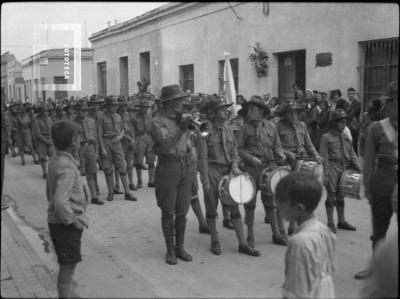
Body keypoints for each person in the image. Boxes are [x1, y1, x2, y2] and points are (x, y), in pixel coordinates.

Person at [198, 97, 260, 257]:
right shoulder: (205, 131)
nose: (225, 112)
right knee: (211, 207)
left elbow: (234, 152)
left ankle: (243, 244)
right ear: (212, 113)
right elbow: (202, 158)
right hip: (212, 171)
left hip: (228, 170)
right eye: (221, 109)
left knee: (234, 205)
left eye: (225, 109)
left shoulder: (228, 130)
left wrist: (235, 166)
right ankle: (214, 240)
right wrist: (205, 180)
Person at [355, 81, 398, 280]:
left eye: (392, 102)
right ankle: (375, 268)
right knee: (378, 230)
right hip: (383, 181)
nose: (390, 106)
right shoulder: (376, 128)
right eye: (390, 102)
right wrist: (369, 189)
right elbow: (369, 161)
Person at [151, 84, 195, 265]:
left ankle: (180, 247)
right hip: (168, 167)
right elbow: (166, 144)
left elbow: (188, 141)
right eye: (180, 99)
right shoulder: (157, 122)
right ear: (171, 103)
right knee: (168, 211)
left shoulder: (180, 119)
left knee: (182, 211)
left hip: (185, 165)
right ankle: (170, 249)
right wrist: (181, 128)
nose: (183, 102)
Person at [237, 95, 288, 246]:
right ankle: (250, 236)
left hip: (268, 168)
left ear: (261, 111)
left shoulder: (271, 126)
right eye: (249, 108)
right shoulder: (244, 128)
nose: (249, 111)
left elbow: (277, 145)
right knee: (250, 203)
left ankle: (276, 234)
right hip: (251, 168)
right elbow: (239, 149)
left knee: (269, 202)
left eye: (253, 109)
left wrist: (281, 154)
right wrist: (251, 159)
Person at [276, 172, 336, 299]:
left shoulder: (299, 242)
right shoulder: (325, 231)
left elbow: (295, 293)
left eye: (281, 203)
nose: (278, 207)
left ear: (298, 208)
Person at [47, 120, 89, 299]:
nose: (80, 141)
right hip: (65, 226)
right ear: (73, 140)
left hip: (58, 223)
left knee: (67, 268)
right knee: (66, 272)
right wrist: (73, 221)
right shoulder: (67, 166)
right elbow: (59, 201)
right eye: (79, 138)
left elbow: (52, 194)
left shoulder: (57, 160)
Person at [276, 100, 324, 235]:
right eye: (290, 113)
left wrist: (317, 156)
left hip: (301, 162)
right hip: (285, 163)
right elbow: (276, 146)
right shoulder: (278, 126)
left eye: (295, 113)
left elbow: (309, 144)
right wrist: (286, 153)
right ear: (285, 114)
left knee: (297, 195)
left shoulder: (302, 125)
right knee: (282, 195)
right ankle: (280, 229)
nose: (293, 116)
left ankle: (293, 226)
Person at [319, 108, 361, 233]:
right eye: (341, 122)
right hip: (332, 167)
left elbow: (352, 154)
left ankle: (341, 221)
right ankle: (330, 222)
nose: (344, 125)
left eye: (345, 122)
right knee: (331, 196)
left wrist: (359, 168)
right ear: (334, 123)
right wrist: (325, 174)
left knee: (341, 195)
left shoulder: (346, 137)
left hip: (344, 168)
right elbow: (324, 157)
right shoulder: (326, 138)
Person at [98, 96, 138, 202]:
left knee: (122, 166)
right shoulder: (101, 117)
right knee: (108, 168)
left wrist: (120, 137)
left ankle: (127, 192)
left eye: (115, 105)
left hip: (117, 142)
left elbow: (122, 131)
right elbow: (99, 134)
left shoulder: (118, 117)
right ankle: (111, 192)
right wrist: (102, 148)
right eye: (112, 105)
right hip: (106, 142)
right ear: (107, 106)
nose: (114, 107)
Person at [74, 102, 104, 205]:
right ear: (77, 111)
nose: (84, 112)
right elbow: (72, 140)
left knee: (91, 172)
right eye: (82, 111)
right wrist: (75, 154)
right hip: (79, 148)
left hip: (90, 147)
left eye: (86, 110)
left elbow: (95, 137)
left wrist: (96, 151)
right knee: (77, 174)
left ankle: (94, 197)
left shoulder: (91, 121)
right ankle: (77, 197)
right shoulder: (73, 123)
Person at [133, 94, 156, 188]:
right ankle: (139, 180)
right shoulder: (134, 117)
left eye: (147, 107)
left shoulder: (150, 116)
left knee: (151, 160)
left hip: (149, 137)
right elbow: (133, 130)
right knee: (139, 161)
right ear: (140, 107)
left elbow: (153, 128)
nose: (145, 109)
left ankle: (151, 180)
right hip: (139, 137)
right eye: (144, 107)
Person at [32, 105, 55, 179]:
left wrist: (51, 139)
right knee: (43, 157)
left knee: (53, 156)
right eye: (45, 111)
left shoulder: (49, 119)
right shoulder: (36, 121)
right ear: (40, 112)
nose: (46, 112)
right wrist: (46, 141)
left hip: (50, 139)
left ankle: (53, 171)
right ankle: (44, 172)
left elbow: (52, 129)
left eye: (47, 111)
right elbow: (37, 133)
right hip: (41, 140)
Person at [346, 87, 362, 154]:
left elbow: (352, 113)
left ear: (354, 94)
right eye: (349, 94)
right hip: (347, 126)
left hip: (353, 127)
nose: (351, 95)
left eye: (352, 94)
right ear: (347, 95)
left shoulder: (357, 103)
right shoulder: (347, 103)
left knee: (354, 145)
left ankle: (355, 161)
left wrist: (346, 114)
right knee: (347, 144)